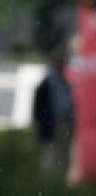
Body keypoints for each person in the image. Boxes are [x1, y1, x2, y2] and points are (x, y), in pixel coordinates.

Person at [32, 46, 73, 177]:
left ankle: (60, 182)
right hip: (52, 122)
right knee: (51, 155)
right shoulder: (46, 83)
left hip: (64, 120)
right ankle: (49, 185)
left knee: (64, 154)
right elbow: (38, 109)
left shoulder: (64, 81)